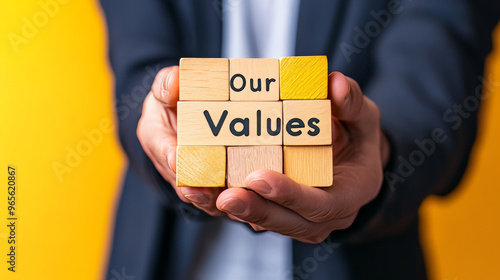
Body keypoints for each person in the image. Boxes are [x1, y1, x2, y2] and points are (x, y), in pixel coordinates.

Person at [99, 0, 499, 279]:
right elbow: (140, 62)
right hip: (163, 256)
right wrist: (156, 116)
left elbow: (435, 70)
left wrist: (381, 150)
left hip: (362, 261)